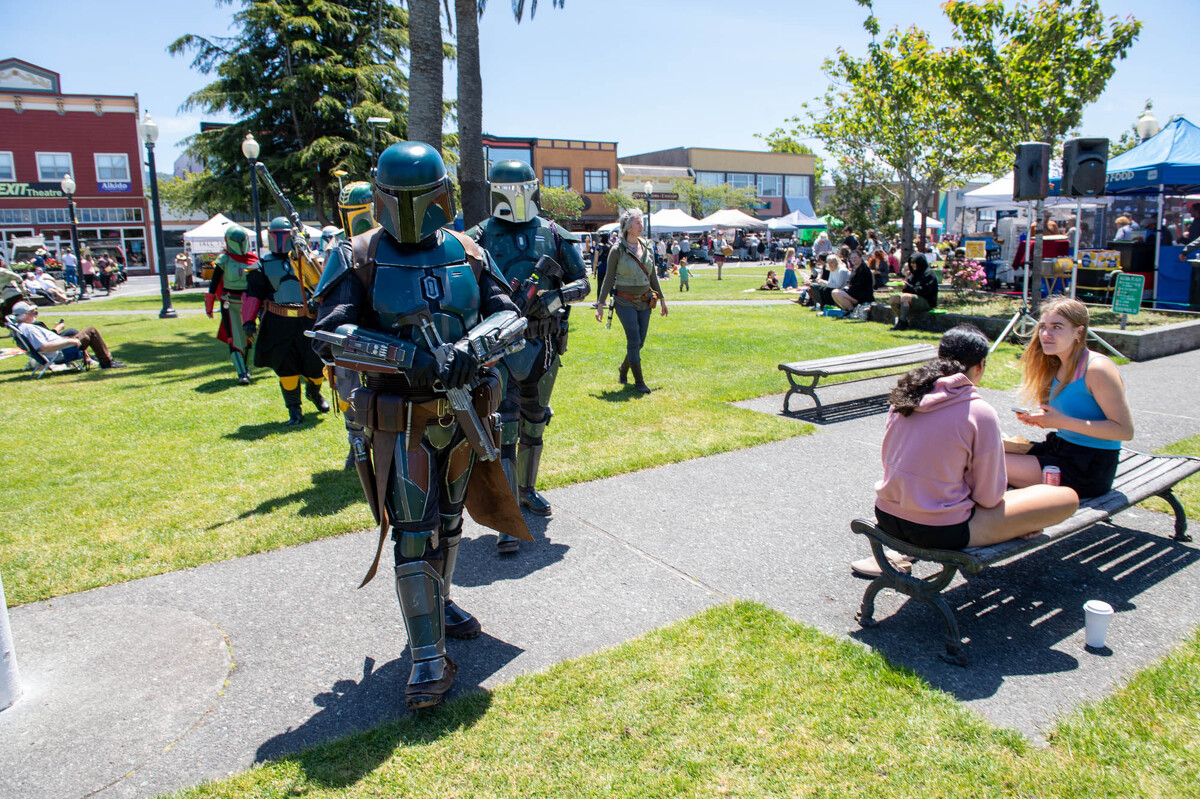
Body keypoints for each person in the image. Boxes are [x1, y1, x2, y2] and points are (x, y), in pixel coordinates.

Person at [311, 141, 530, 709]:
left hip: (463, 411)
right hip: (400, 420)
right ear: (382, 198)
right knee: (413, 531)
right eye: (400, 198)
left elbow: (510, 315)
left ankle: (442, 602)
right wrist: (406, 355)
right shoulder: (356, 256)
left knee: (453, 520)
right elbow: (331, 335)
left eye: (420, 197)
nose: (411, 210)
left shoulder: (469, 250)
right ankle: (426, 656)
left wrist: (469, 346)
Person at [850, 325, 1078, 578]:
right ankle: (1015, 525)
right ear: (980, 366)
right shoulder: (977, 411)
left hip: (888, 515)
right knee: (1065, 497)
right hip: (940, 528)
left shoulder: (906, 397)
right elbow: (989, 498)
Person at [467, 159, 591, 540]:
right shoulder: (478, 236)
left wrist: (553, 299)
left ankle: (526, 490)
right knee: (502, 426)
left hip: (544, 341)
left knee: (534, 421)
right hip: (498, 345)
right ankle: (506, 512)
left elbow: (582, 282)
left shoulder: (554, 233)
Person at [1006, 298, 1134, 499]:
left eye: (1057, 327)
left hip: (1089, 468)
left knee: (985, 465)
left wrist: (1061, 422)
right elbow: (1075, 412)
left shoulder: (1097, 369)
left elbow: (1124, 431)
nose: (1046, 334)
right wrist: (1043, 417)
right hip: (1060, 450)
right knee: (986, 452)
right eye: (1043, 327)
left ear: (1079, 332)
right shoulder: (1056, 363)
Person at [242, 218, 330, 425]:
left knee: (317, 366)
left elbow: (322, 287)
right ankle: (294, 409)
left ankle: (314, 393)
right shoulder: (262, 266)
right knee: (285, 367)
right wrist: (248, 321)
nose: (282, 239)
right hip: (278, 323)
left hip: (308, 320)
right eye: (278, 234)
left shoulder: (310, 263)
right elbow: (253, 295)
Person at [595, 208, 667, 393]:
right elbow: (608, 278)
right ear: (627, 227)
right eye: (637, 222)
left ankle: (623, 368)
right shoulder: (617, 250)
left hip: (645, 300)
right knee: (634, 339)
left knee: (640, 342)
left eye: (642, 222)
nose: (641, 226)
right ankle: (639, 382)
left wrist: (663, 300)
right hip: (624, 301)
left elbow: (653, 277)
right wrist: (600, 304)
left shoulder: (648, 246)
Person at [205, 225, 258, 386]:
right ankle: (241, 372)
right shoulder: (224, 260)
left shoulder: (253, 260)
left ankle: (246, 368)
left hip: (249, 303)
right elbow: (214, 284)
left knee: (250, 336)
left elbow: (260, 284)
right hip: (230, 304)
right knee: (233, 337)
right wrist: (209, 305)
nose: (240, 243)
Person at [11, 301, 125, 369]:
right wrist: (70, 341)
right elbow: (44, 347)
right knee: (91, 331)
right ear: (26, 314)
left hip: (60, 348)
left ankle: (104, 360)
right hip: (62, 352)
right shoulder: (29, 329)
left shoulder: (23, 327)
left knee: (76, 332)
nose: (34, 314)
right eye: (32, 312)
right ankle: (106, 362)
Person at [889, 252, 938, 331]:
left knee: (905, 297)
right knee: (893, 299)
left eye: (914, 262)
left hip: (926, 301)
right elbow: (909, 288)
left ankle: (902, 323)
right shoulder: (913, 274)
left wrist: (908, 287)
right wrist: (904, 286)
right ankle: (902, 320)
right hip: (913, 299)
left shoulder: (929, 274)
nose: (912, 265)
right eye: (911, 262)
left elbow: (923, 291)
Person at [831, 248, 873, 315]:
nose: (853, 259)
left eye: (855, 257)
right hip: (854, 292)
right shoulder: (855, 268)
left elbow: (860, 285)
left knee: (837, 293)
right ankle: (846, 310)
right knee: (834, 293)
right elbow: (850, 281)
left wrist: (848, 288)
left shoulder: (863, 269)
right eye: (852, 258)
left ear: (860, 258)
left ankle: (852, 311)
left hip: (863, 295)